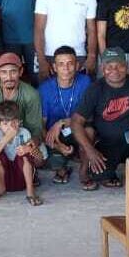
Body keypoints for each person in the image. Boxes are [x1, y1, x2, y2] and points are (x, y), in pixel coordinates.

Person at [71, 47, 129, 189]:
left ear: (126, 66)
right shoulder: (95, 89)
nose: (114, 70)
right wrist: (90, 151)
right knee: (101, 175)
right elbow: (76, 122)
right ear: (102, 68)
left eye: (119, 65)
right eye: (109, 66)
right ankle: (89, 169)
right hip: (107, 144)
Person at [34, 0, 98, 79]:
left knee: (81, 96)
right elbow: (38, 29)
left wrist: (91, 56)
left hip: (79, 55)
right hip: (49, 55)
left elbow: (92, 30)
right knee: (48, 96)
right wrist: (41, 60)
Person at [39, 45, 94, 182]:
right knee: (43, 155)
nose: (66, 68)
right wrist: (57, 145)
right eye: (61, 64)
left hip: (77, 129)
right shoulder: (45, 88)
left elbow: (89, 115)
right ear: (54, 67)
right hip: (55, 136)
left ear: (77, 65)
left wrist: (62, 122)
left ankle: (84, 170)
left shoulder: (85, 82)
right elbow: (41, 125)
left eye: (70, 64)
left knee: (89, 131)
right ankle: (62, 167)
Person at [0, 100, 44, 205]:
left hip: (22, 179)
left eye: (13, 123)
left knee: (24, 154)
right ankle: (0, 189)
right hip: (4, 180)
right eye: (5, 123)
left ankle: (30, 192)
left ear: (19, 122)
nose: (10, 127)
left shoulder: (24, 133)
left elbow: (40, 160)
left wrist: (29, 150)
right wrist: (8, 137)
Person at [0, 52, 45, 148]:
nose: (9, 77)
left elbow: (35, 127)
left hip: (23, 139)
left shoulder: (31, 94)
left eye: (13, 72)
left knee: (38, 159)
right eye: (4, 72)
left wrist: (31, 144)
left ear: (21, 71)